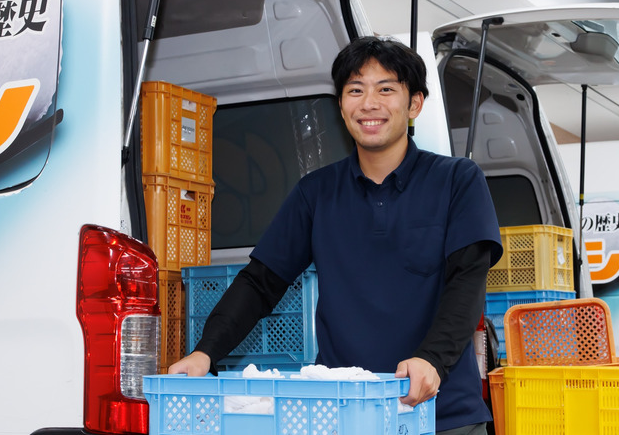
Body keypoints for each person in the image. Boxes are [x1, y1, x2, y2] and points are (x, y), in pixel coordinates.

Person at [168, 36, 502, 435]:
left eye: (386, 89)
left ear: (414, 104)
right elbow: (260, 282)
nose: (369, 103)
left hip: (443, 413)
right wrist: (206, 352)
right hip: (344, 414)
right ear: (341, 106)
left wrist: (431, 360)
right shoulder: (316, 193)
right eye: (355, 90)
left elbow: (467, 283)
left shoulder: (457, 180)